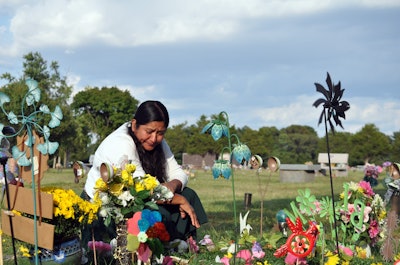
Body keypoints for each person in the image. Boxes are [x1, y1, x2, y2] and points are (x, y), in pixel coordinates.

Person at [81, 100, 207, 248]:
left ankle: (183, 242)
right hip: (109, 206)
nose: (154, 138)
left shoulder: (158, 142)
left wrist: (173, 185)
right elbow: (140, 190)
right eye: (149, 131)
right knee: (160, 211)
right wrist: (179, 200)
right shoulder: (121, 143)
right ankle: (163, 247)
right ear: (134, 125)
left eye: (160, 133)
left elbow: (178, 173)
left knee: (189, 194)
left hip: (142, 196)